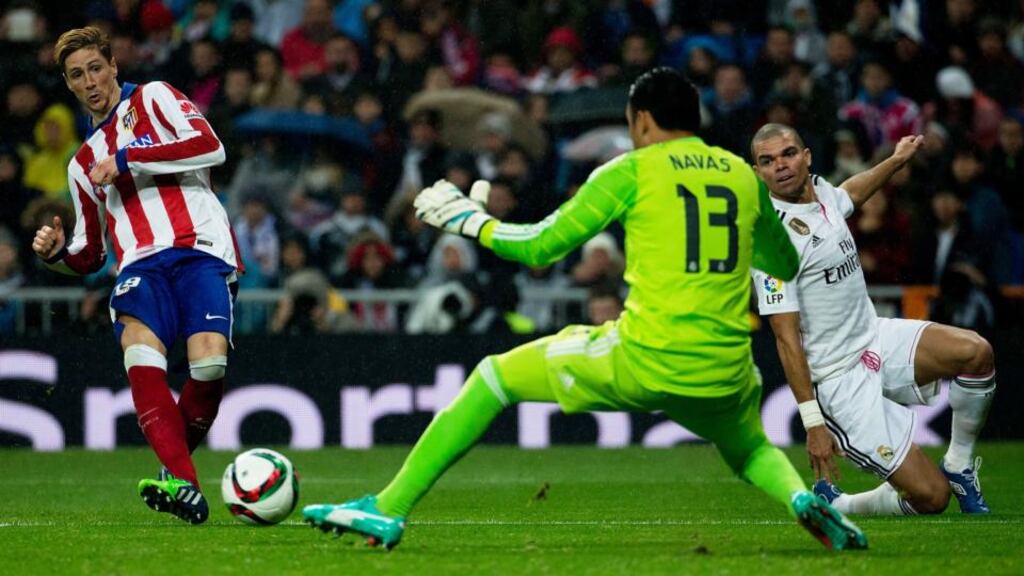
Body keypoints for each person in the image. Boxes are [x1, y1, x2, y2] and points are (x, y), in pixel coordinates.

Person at [303, 68, 867, 551]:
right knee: (748, 447)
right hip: (726, 367)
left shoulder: (631, 170)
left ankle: (388, 505)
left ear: (642, 120)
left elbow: (540, 247)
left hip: (647, 355)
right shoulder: (743, 176)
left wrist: (468, 222)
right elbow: (787, 265)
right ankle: (800, 497)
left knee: (492, 378)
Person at [30, 27, 242, 525]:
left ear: (114, 67)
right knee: (140, 351)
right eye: (78, 75)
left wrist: (127, 159)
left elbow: (211, 147)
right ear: (69, 84)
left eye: (96, 68)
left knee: (209, 367)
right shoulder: (81, 163)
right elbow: (91, 252)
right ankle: (186, 486)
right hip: (139, 263)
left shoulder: (155, 96)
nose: (91, 81)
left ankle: (172, 474)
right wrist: (59, 253)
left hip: (200, 246)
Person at [749, 123, 996, 516]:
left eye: (788, 153)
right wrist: (814, 424)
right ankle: (840, 503)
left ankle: (959, 464)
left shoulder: (821, 190)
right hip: (838, 379)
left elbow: (852, 192)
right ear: (758, 172)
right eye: (767, 161)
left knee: (976, 353)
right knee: (932, 498)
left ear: (807, 155)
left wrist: (896, 161)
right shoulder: (771, 243)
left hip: (874, 337)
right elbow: (785, 339)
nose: (780, 165)